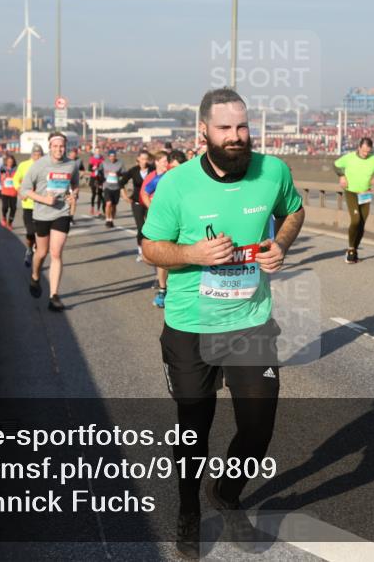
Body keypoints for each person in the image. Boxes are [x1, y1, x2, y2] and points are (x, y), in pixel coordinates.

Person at [141, 88, 305, 558]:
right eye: (225, 129)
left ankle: (226, 493)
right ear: (203, 133)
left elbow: (293, 211)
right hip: (190, 324)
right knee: (195, 426)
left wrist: (282, 245)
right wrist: (192, 254)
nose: (236, 137)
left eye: (242, 127)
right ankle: (189, 510)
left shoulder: (272, 170)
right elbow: (151, 247)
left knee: (258, 427)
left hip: (250, 322)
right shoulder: (176, 185)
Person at [20, 133, 80, 312]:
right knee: (42, 252)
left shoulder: (71, 165)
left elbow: (75, 184)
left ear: (65, 147)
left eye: (61, 146)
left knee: (56, 253)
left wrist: (73, 194)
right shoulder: (39, 165)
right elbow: (24, 190)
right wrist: (43, 200)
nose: (59, 149)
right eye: (55, 146)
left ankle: (54, 296)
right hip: (41, 214)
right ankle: (35, 275)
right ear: (49, 147)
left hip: (61, 212)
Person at [140, 150, 186, 307]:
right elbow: (145, 193)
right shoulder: (161, 178)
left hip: (183, 222)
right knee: (163, 254)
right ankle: (162, 289)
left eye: (178, 168)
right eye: (172, 168)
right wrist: (152, 208)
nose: (175, 172)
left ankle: (181, 289)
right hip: (165, 223)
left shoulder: (189, 180)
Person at [334, 137, 374, 263]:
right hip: (351, 191)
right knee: (356, 219)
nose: (365, 154)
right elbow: (336, 165)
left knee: (362, 224)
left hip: (365, 193)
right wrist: (341, 176)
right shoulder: (349, 157)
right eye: (363, 151)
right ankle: (351, 248)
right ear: (359, 147)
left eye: (368, 152)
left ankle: (353, 251)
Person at [119, 150, 153, 262]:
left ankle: (151, 251)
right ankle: (140, 251)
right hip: (137, 202)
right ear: (138, 159)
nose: (144, 161)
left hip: (150, 203)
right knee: (141, 228)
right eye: (142, 159)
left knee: (151, 227)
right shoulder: (134, 171)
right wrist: (124, 195)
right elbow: (121, 182)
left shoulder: (152, 169)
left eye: (146, 159)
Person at [13, 143, 43, 266]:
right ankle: (29, 249)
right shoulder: (24, 165)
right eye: (35, 154)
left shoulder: (46, 166)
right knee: (30, 232)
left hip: (42, 205)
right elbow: (16, 179)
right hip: (28, 204)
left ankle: (37, 254)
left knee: (40, 233)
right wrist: (19, 190)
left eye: (39, 154)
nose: (37, 156)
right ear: (32, 154)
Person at [100, 149, 125, 228]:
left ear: (115, 156)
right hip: (107, 186)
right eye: (111, 156)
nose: (112, 158)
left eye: (114, 156)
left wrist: (118, 173)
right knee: (108, 203)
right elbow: (99, 172)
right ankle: (108, 219)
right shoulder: (104, 163)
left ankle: (112, 219)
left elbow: (124, 173)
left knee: (114, 206)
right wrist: (100, 181)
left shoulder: (120, 163)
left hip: (116, 187)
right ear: (108, 157)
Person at [0, 154, 19, 230]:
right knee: (5, 207)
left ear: (13, 162)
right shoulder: (2, 168)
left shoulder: (16, 169)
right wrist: (2, 177)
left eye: (11, 161)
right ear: (6, 162)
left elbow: (20, 178)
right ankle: (4, 217)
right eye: (8, 161)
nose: (10, 163)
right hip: (4, 192)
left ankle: (10, 223)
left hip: (13, 192)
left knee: (13, 208)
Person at [88, 147, 104, 217]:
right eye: (96, 151)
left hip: (100, 178)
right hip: (93, 177)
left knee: (100, 194)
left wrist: (100, 169)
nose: (98, 152)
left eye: (99, 151)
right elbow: (89, 169)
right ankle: (92, 208)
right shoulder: (92, 159)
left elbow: (104, 168)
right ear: (94, 152)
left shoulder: (102, 159)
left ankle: (98, 210)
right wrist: (93, 168)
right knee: (94, 194)